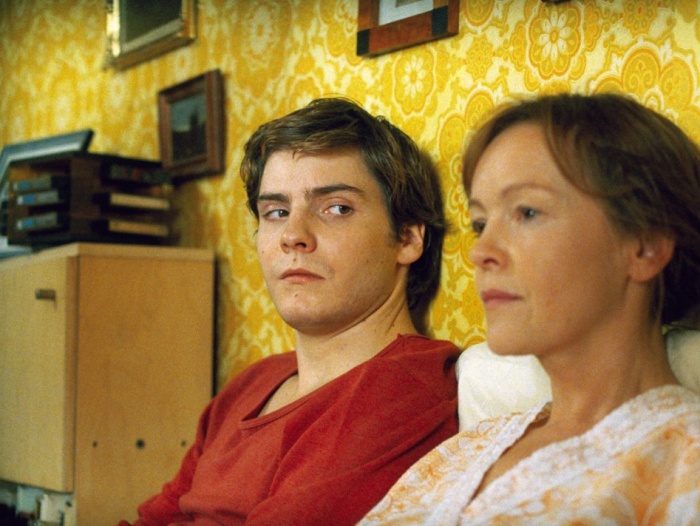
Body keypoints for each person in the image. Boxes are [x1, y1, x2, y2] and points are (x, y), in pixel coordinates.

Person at [360, 92, 700, 525]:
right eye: (481, 223)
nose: (480, 251)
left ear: (645, 246)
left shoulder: (685, 468)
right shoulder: (464, 449)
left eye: (527, 212)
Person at [119, 97, 460, 526]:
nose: (292, 235)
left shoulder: (401, 392)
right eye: (277, 212)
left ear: (408, 238)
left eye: (336, 208)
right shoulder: (251, 385)